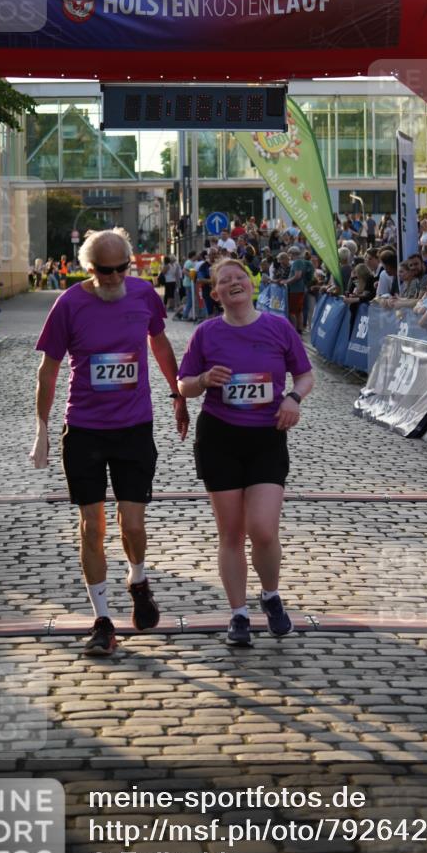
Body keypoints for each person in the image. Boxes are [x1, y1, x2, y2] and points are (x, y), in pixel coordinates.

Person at [29, 229, 189, 657]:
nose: (116, 276)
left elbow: (159, 342)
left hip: (134, 427)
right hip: (83, 429)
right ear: (89, 268)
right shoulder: (69, 304)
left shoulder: (144, 296)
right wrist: (42, 428)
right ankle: (101, 619)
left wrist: (177, 395)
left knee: (133, 525)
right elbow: (48, 370)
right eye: (106, 270)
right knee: (92, 526)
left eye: (123, 268)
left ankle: (138, 579)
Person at [177, 258, 314, 647]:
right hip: (220, 437)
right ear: (215, 293)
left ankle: (270, 595)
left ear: (251, 285)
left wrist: (293, 398)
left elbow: (304, 374)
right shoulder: (205, 334)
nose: (233, 283)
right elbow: (183, 385)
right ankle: (238, 614)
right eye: (225, 281)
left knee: (264, 529)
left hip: (266, 437)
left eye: (240, 277)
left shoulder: (278, 327)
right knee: (232, 533)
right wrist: (203, 380)